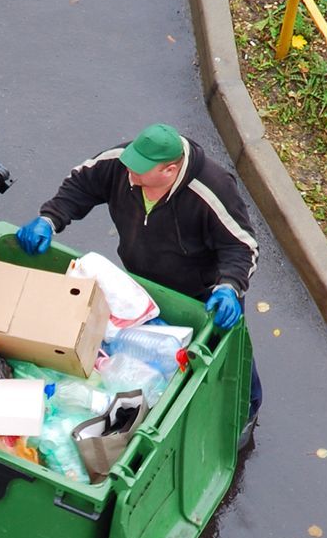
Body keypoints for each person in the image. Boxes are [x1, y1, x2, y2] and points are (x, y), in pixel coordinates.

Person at [16, 122, 263, 426]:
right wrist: (49, 219)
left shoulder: (211, 190)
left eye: (140, 172)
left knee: (230, 358)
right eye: (130, 166)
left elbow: (240, 246)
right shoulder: (124, 165)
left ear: (169, 171)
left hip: (201, 295)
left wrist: (229, 287)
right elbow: (82, 183)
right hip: (141, 286)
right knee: (154, 357)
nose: (129, 175)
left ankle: (246, 410)